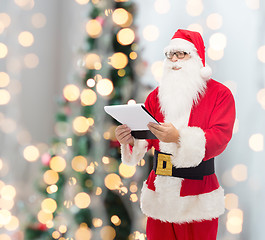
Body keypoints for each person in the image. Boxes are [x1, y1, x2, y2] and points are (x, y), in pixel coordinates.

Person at [115, 29, 236, 240]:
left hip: (197, 198)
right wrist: (129, 140)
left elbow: (220, 137)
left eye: (181, 54)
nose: (173, 59)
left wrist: (179, 137)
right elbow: (147, 136)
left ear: (196, 58)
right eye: (170, 54)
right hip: (159, 197)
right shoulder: (156, 96)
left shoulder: (220, 94)